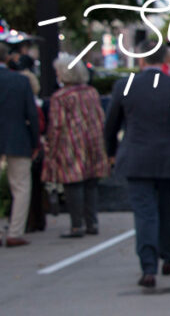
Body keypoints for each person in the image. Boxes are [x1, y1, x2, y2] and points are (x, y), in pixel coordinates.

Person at [104, 43, 170, 288]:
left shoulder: (124, 86)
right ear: (165, 62)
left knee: (144, 212)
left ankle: (148, 266)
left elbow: (112, 124)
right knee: (169, 208)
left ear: (141, 61)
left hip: (135, 157)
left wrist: (111, 153)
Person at [42, 53, 109, 238]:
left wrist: (51, 148)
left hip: (71, 144)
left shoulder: (61, 97)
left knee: (73, 184)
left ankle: (76, 225)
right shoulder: (91, 92)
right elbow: (100, 118)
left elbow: (57, 125)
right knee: (91, 183)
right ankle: (92, 222)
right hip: (93, 142)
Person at [0, 42, 40, 247]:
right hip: (17, 137)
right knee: (21, 186)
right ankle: (15, 232)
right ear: (7, 58)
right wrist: (35, 141)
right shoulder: (20, 81)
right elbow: (31, 114)